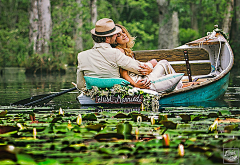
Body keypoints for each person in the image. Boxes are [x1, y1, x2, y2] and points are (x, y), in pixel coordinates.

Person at [76, 18, 152, 90]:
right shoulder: (116, 53)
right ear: (107, 39)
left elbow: (80, 86)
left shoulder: (81, 56)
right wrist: (150, 66)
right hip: (115, 91)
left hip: (95, 91)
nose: (116, 35)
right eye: (114, 34)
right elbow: (138, 68)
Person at [111, 24, 183, 91]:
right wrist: (135, 85)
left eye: (123, 32)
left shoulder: (126, 51)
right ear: (115, 40)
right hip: (140, 81)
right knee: (163, 63)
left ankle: (179, 86)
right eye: (119, 35)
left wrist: (149, 68)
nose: (124, 35)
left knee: (159, 65)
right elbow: (124, 74)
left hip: (141, 78)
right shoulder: (120, 51)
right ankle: (181, 87)